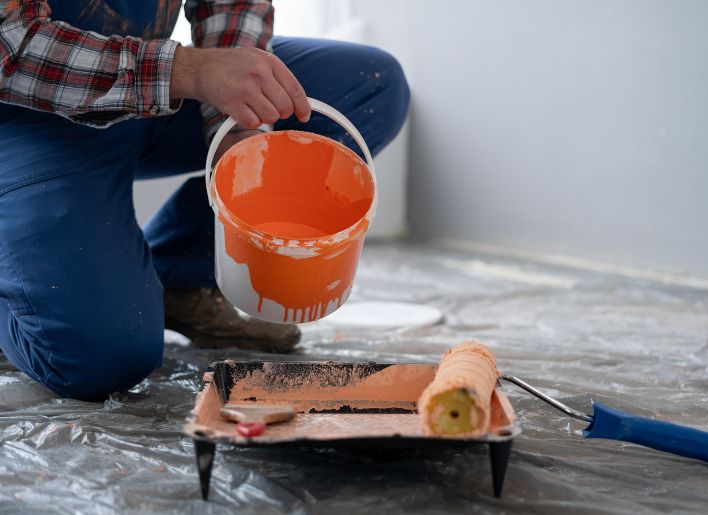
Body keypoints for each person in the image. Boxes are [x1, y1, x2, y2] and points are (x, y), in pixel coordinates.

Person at [0, 0, 410, 401]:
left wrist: (237, 124)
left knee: (369, 85)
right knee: (98, 362)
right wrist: (187, 70)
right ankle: (23, 290)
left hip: (146, 88)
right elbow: (9, 43)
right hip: (27, 115)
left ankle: (179, 274)